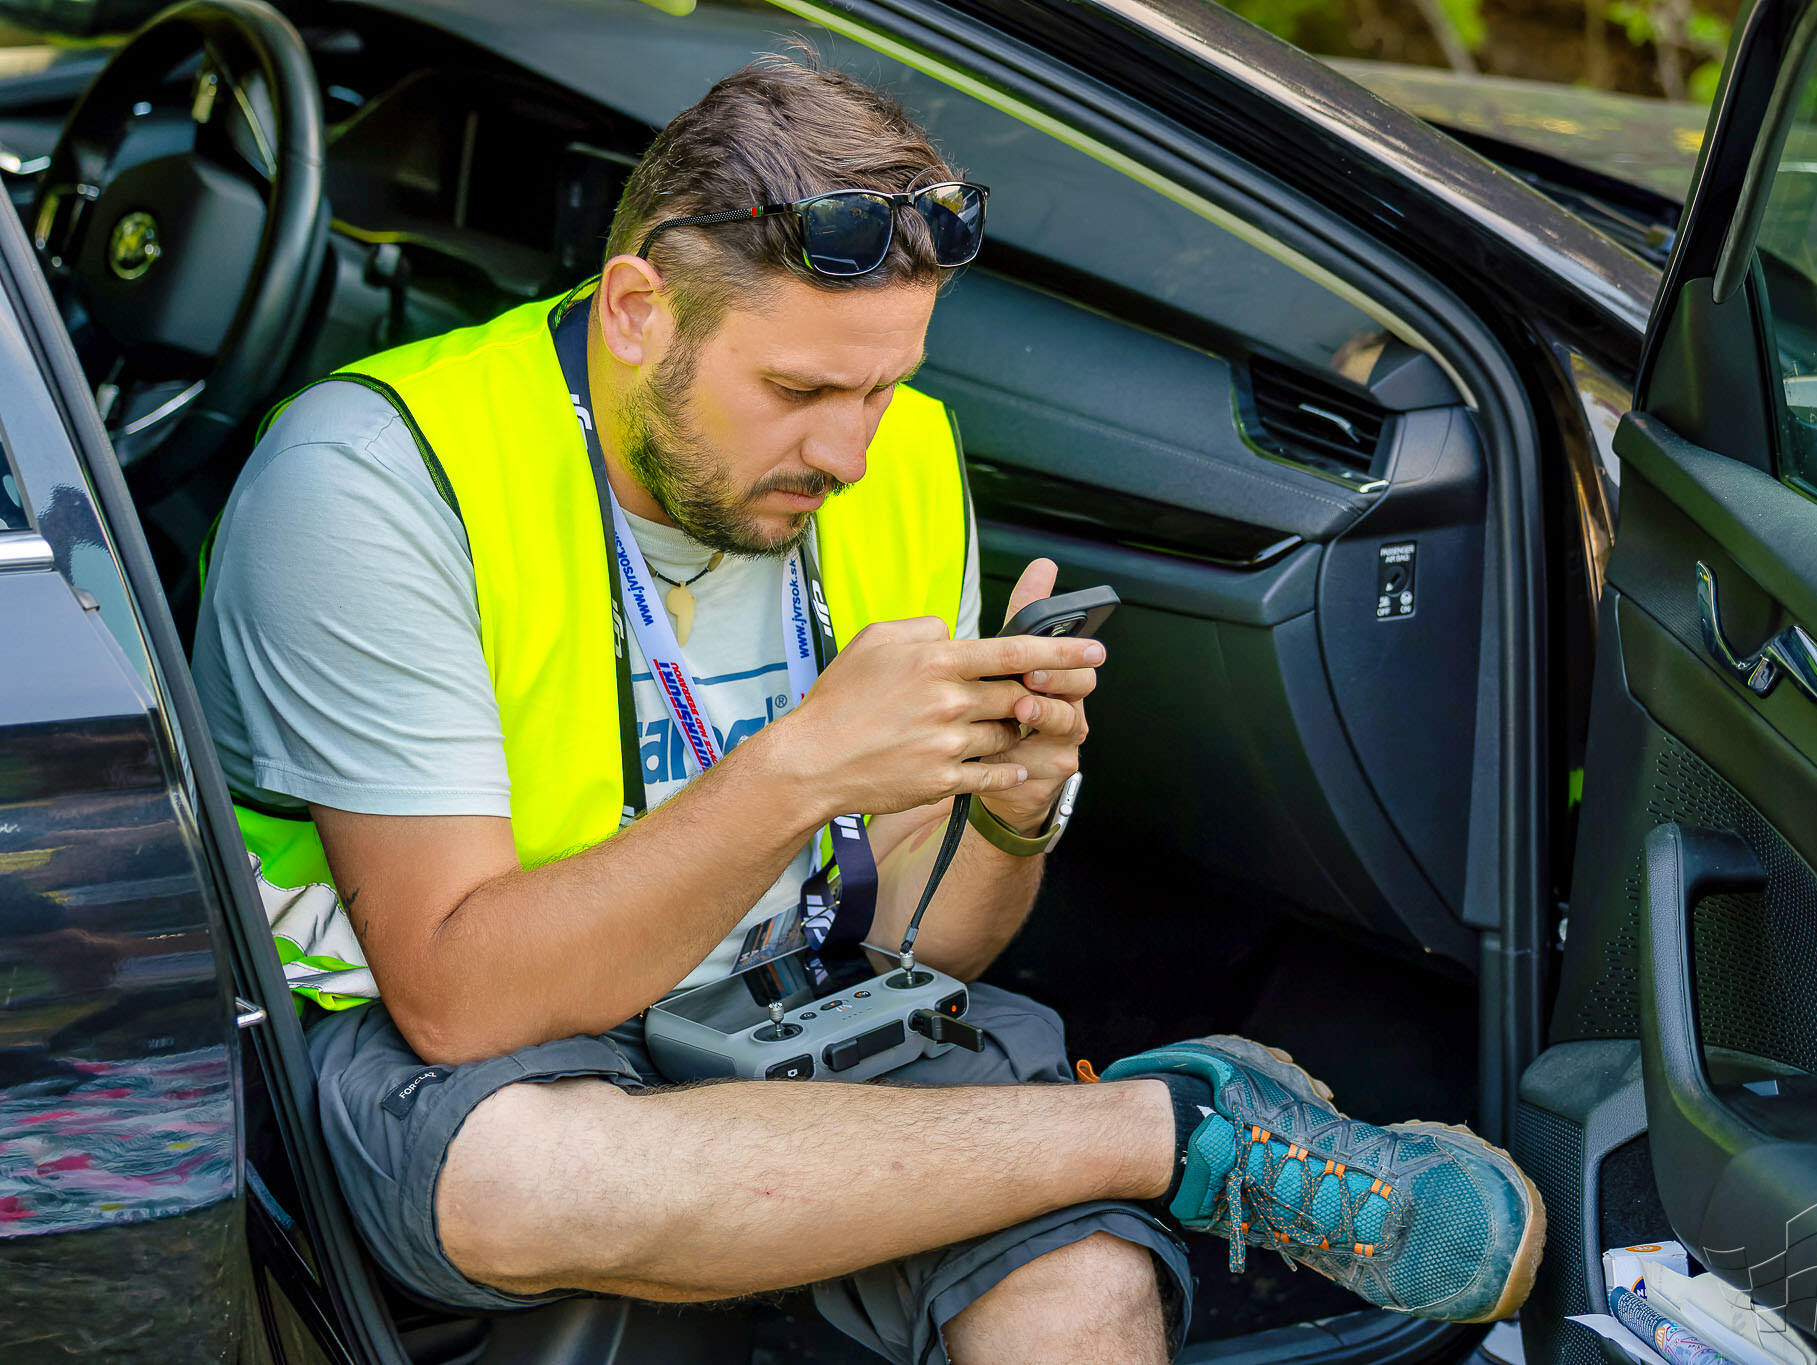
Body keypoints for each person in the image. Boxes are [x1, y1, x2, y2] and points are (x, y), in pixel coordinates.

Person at [192, 51, 1543, 1363]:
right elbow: (460, 1002)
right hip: (447, 1049)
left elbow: (916, 942)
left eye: (883, 387)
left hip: (787, 1007)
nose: (846, 451)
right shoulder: (379, 479)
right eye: (797, 390)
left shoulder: (903, 462)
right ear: (636, 311)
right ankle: (1170, 1127)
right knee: (520, 1180)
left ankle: (1150, 1141)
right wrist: (800, 770)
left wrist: (1009, 816)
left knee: (1078, 1281)